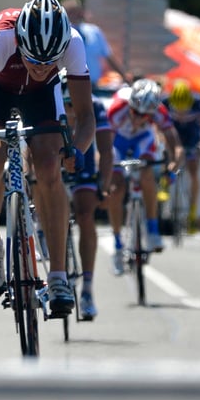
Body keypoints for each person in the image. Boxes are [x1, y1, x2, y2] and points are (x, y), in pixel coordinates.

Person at [0, 0, 95, 318]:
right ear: (19, 42)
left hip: (41, 99)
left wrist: (76, 152)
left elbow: (86, 117)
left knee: (49, 165)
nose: (41, 68)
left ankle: (57, 275)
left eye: (49, 62)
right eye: (33, 60)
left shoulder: (73, 43)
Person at [104, 78, 185, 272]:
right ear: (130, 105)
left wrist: (174, 161)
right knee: (116, 189)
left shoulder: (159, 110)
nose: (139, 118)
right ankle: (117, 244)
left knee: (147, 171)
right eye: (135, 112)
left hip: (142, 139)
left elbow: (175, 143)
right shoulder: (116, 109)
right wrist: (106, 170)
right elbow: (104, 147)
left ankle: (152, 228)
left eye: (145, 115)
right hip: (118, 141)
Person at [59, 69, 114, 320]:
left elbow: (106, 150)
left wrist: (103, 184)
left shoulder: (96, 108)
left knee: (84, 214)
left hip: (84, 163)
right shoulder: (51, 104)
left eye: (73, 104)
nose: (71, 111)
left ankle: (88, 289)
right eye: (66, 104)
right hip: (55, 162)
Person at [164, 78, 200, 232]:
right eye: (178, 110)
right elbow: (159, 128)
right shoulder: (165, 102)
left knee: (193, 170)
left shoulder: (197, 104)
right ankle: (166, 180)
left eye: (184, 110)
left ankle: (192, 211)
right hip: (173, 135)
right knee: (167, 153)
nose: (181, 113)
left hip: (192, 137)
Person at [62, 0, 129, 89]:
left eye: (78, 11)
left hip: (93, 86)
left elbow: (108, 57)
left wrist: (124, 77)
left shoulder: (94, 31)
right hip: (68, 87)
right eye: (71, 11)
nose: (76, 14)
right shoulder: (62, 34)